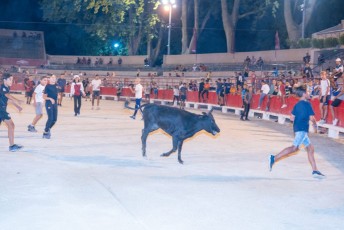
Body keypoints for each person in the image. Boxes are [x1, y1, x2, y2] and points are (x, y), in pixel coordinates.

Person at [269, 85, 325, 178]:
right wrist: (315, 126)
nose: (308, 94)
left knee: (310, 149)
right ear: (303, 94)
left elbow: (292, 117)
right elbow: (312, 118)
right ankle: (273, 158)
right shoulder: (307, 104)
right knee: (294, 148)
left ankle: (315, 170)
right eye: (307, 92)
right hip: (302, 130)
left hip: (297, 129)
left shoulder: (297, 104)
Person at [0, 73, 23, 151]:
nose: (11, 81)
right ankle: (12, 146)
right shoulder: (2, 87)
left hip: (2, 110)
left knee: (11, 125)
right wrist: (17, 100)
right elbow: (8, 96)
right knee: (11, 125)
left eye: (12, 80)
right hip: (1, 110)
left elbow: (8, 99)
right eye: (10, 79)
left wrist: (17, 106)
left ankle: (12, 146)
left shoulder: (6, 88)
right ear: (4, 80)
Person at [43, 75, 58, 139]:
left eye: (54, 77)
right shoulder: (47, 86)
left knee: (54, 119)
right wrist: (50, 99)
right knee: (50, 118)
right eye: (52, 77)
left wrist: (58, 96)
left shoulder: (56, 86)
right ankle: (46, 132)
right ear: (49, 79)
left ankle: (47, 129)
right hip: (49, 103)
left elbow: (56, 93)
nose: (53, 78)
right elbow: (44, 97)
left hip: (55, 103)